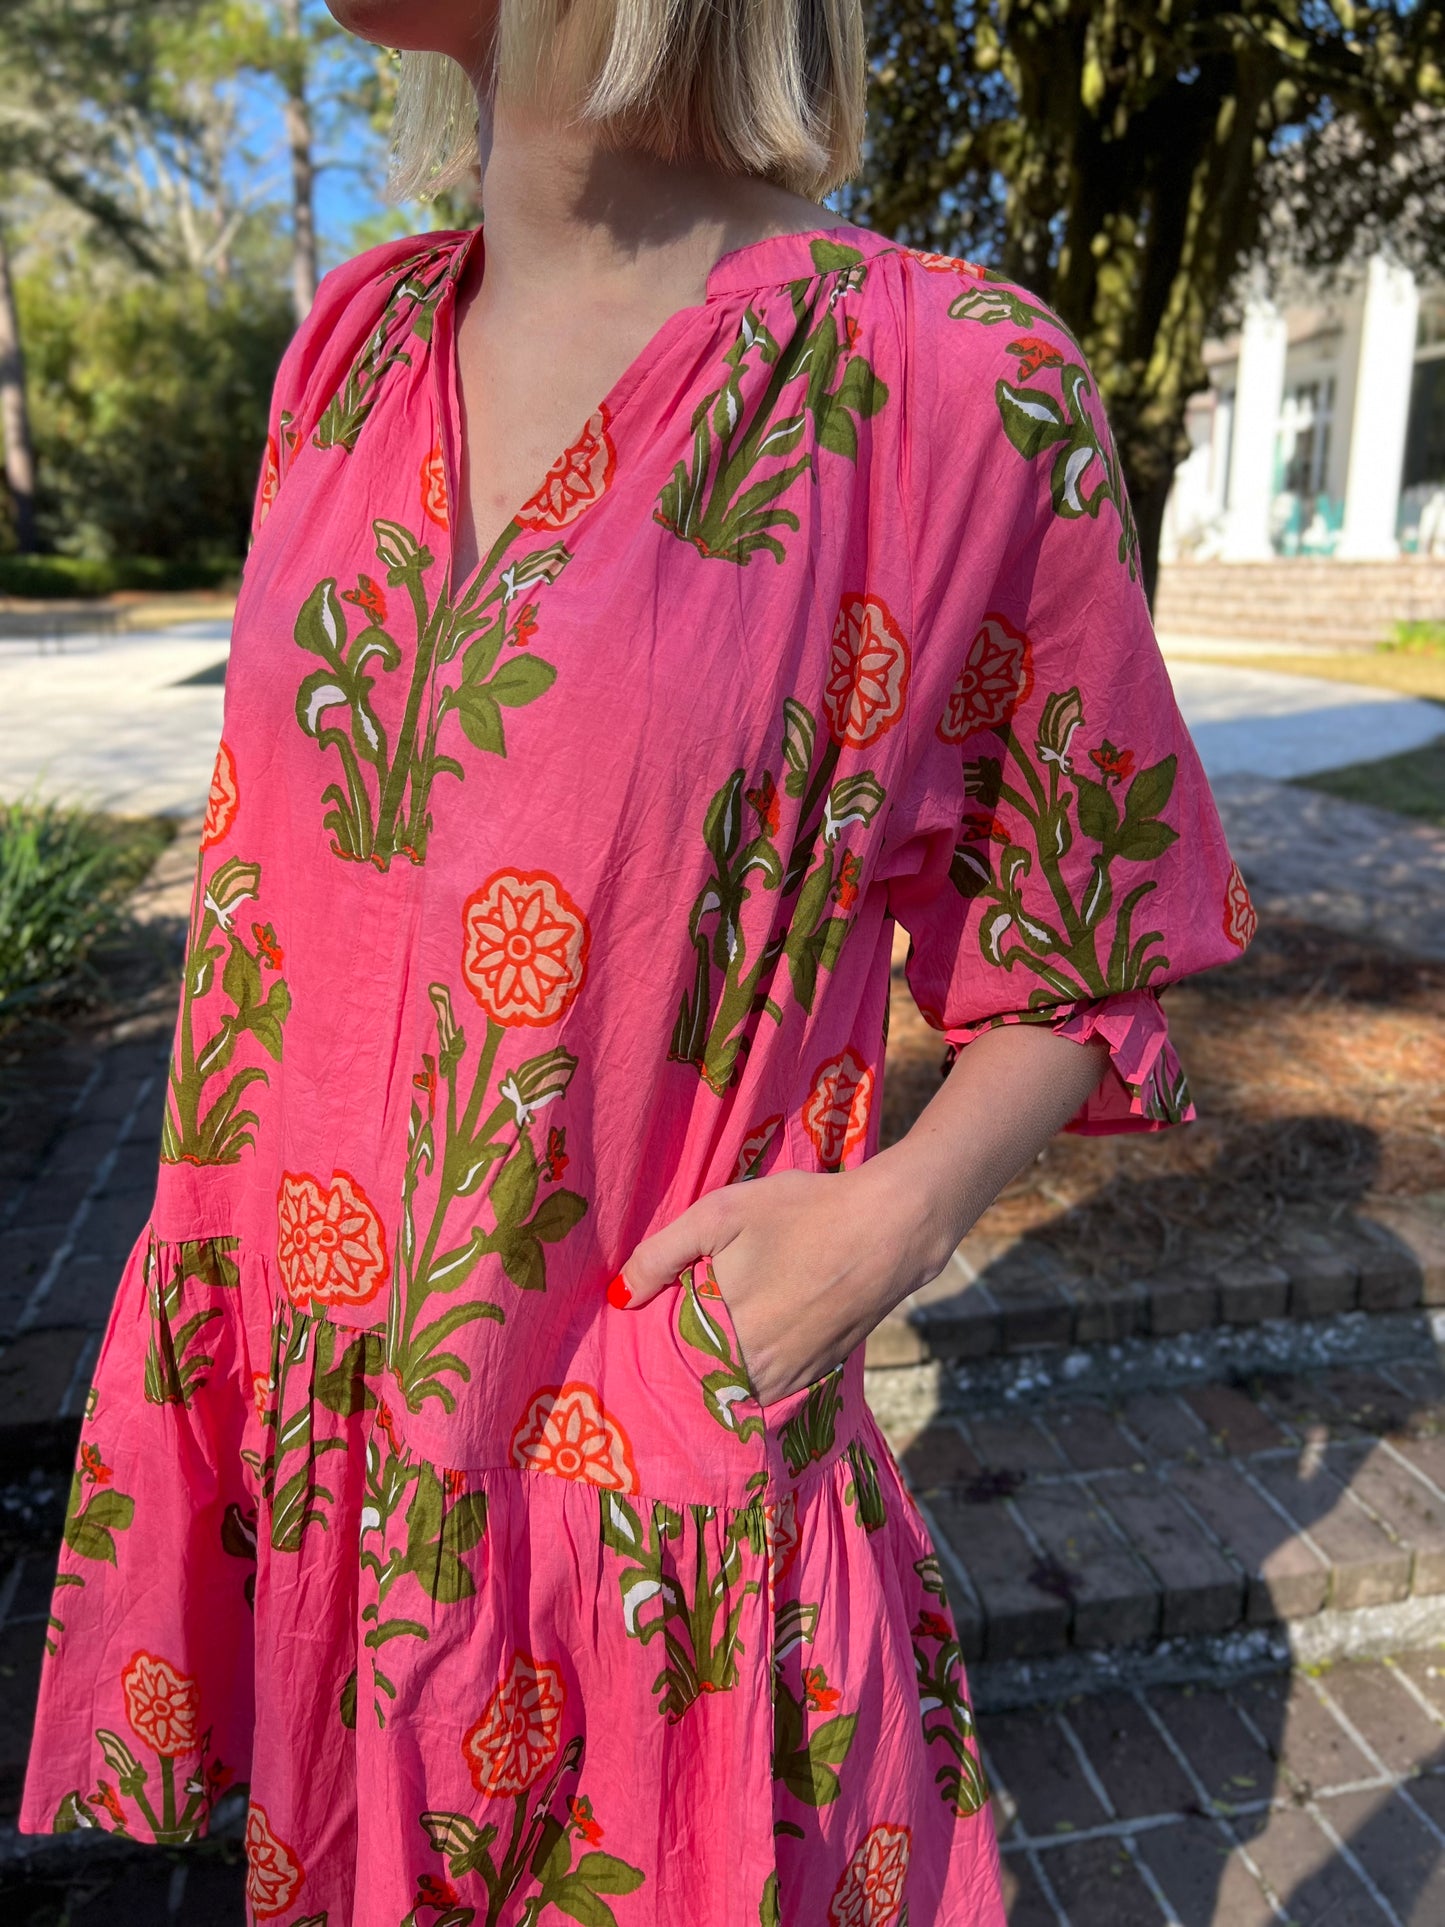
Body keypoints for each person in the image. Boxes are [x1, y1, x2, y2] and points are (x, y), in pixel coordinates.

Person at [22, 1, 1256, 1919]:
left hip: (632, 1479)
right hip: (313, 1448)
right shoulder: (348, 354)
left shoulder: (948, 387)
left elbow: (1084, 934)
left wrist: (899, 1216)